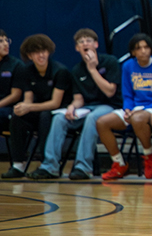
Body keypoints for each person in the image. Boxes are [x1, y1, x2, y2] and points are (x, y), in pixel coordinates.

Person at [27, 29, 121, 180]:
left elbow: (110, 92)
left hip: (109, 107)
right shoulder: (76, 69)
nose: (85, 44)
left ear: (96, 44)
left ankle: (83, 167)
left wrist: (92, 69)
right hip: (86, 108)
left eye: (88, 40)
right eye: (81, 42)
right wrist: (71, 107)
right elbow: (79, 99)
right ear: (77, 48)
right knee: (60, 118)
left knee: (93, 118)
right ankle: (50, 166)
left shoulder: (110, 62)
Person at [95, 33, 152, 181]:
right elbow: (128, 95)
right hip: (135, 109)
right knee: (102, 122)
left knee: (137, 119)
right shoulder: (128, 66)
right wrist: (128, 109)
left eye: (146, 47)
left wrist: (140, 110)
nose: (143, 51)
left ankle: (150, 155)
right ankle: (118, 163)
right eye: (139, 48)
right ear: (133, 52)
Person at [1, 35, 72, 179]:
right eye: (37, 52)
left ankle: (47, 164)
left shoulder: (60, 71)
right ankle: (18, 165)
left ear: (49, 52)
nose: (41, 55)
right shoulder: (27, 71)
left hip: (59, 111)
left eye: (44, 51)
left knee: (45, 116)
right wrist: (22, 107)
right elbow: (28, 99)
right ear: (29, 55)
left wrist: (30, 107)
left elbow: (55, 103)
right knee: (17, 117)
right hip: (38, 109)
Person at [0, 30, 24, 137]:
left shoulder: (16, 65)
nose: (5, 44)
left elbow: (16, 95)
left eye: (7, 40)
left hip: (8, 108)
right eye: (1, 41)